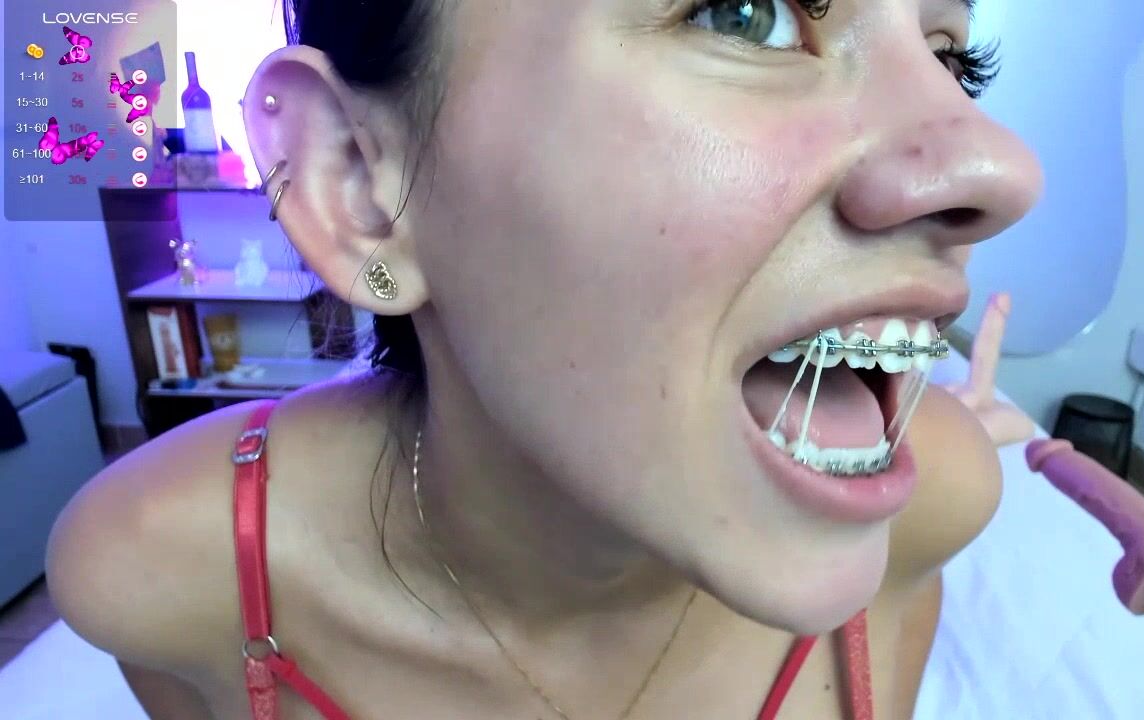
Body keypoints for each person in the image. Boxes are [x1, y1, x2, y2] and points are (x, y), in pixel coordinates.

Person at [47, 0, 1042, 717]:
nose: (996, 166)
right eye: (742, 15)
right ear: (355, 183)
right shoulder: (167, 576)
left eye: (950, 56)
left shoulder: (936, 505)